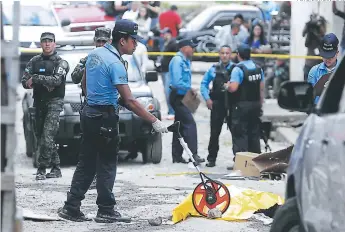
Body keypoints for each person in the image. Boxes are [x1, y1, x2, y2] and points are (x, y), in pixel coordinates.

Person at [58, 19, 168, 223]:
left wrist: (98, 99)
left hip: (89, 114)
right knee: (107, 164)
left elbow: (84, 84)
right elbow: (130, 100)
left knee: (86, 163)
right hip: (105, 118)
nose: (136, 45)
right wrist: (154, 120)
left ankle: (71, 207)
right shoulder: (116, 63)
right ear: (123, 40)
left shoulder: (94, 55)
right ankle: (106, 210)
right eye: (134, 40)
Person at [21, 32, 70, 180]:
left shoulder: (61, 62)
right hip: (39, 102)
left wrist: (36, 78)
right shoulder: (34, 61)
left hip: (54, 102)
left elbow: (56, 81)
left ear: (54, 43)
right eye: (44, 41)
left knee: (48, 136)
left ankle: (41, 169)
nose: (47, 44)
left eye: (50, 41)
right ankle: (56, 168)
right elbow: (24, 81)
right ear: (41, 44)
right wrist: (36, 81)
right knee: (41, 135)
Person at [225, 44, 264, 166]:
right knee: (254, 133)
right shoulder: (258, 68)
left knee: (240, 134)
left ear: (238, 55)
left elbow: (234, 88)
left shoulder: (238, 69)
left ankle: (242, 164)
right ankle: (255, 164)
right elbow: (261, 89)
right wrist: (260, 104)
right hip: (255, 105)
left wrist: (227, 86)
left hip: (241, 106)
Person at [169, 38, 205, 165]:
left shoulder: (186, 61)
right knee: (190, 124)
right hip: (178, 97)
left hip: (183, 96)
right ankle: (193, 154)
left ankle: (177, 155)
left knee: (179, 126)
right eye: (192, 47)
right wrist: (189, 88)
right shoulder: (178, 61)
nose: (194, 49)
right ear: (184, 47)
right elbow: (176, 82)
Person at [200, 45, 235, 167]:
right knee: (214, 133)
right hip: (217, 104)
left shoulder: (235, 69)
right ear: (219, 54)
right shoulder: (213, 69)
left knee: (235, 133)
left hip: (232, 105)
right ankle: (211, 158)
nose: (225, 55)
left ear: (231, 55)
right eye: (222, 53)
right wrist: (207, 99)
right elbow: (204, 84)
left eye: (227, 53)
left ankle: (238, 159)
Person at [308, 33, 340, 104]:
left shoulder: (342, 70)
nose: (328, 59)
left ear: (337, 53)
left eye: (331, 56)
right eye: (325, 56)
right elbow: (310, 98)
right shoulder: (314, 71)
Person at [159, 28, 178, 119]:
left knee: (168, 91)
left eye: (166, 34)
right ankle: (170, 111)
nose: (164, 35)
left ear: (170, 34)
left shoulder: (173, 43)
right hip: (163, 70)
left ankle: (172, 111)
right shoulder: (164, 43)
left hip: (169, 71)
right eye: (163, 34)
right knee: (165, 91)